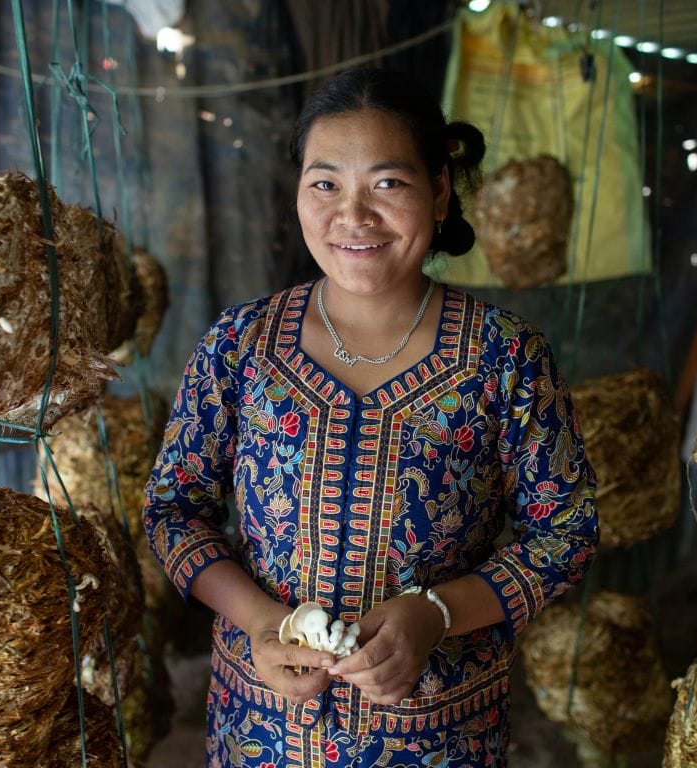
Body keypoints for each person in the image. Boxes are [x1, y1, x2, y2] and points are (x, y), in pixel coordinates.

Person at [144, 67, 598, 767]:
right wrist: (264, 621)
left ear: (440, 192)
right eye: (325, 183)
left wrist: (436, 615)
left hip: (439, 737)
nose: (353, 216)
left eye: (388, 184)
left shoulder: (503, 356)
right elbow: (173, 510)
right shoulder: (241, 345)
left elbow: (567, 531)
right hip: (261, 731)